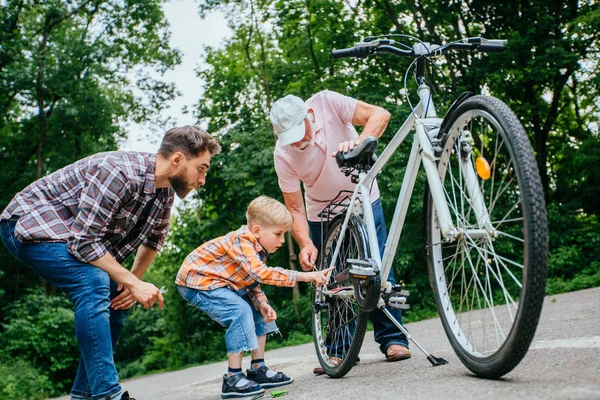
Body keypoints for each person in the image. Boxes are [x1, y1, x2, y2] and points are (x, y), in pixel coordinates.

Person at [0, 126, 221, 400]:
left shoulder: (164, 193)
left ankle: (83, 395)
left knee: (117, 295)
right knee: (93, 281)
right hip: (28, 223)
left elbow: (153, 241)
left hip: (72, 236)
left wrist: (130, 286)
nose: (202, 180)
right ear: (177, 159)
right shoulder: (119, 172)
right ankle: (108, 394)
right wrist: (133, 282)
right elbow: (83, 243)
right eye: (201, 168)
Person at [269, 90, 411, 374]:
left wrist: (359, 142)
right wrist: (305, 242)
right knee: (332, 281)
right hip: (321, 211)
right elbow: (294, 208)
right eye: (289, 137)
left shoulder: (325, 102)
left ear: (309, 116)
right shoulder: (283, 154)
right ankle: (338, 350)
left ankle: (393, 339)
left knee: (379, 266)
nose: (296, 141)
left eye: (299, 132)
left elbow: (379, 114)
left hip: (363, 197)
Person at [175, 195, 332, 399]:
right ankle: (233, 378)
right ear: (257, 230)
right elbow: (261, 273)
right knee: (239, 311)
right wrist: (304, 276)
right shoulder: (242, 241)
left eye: (284, 234)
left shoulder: (259, 249)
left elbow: (250, 281)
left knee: (259, 311)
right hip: (197, 282)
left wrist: (262, 303)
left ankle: (258, 368)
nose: (283, 240)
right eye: (278, 234)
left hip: (223, 284)